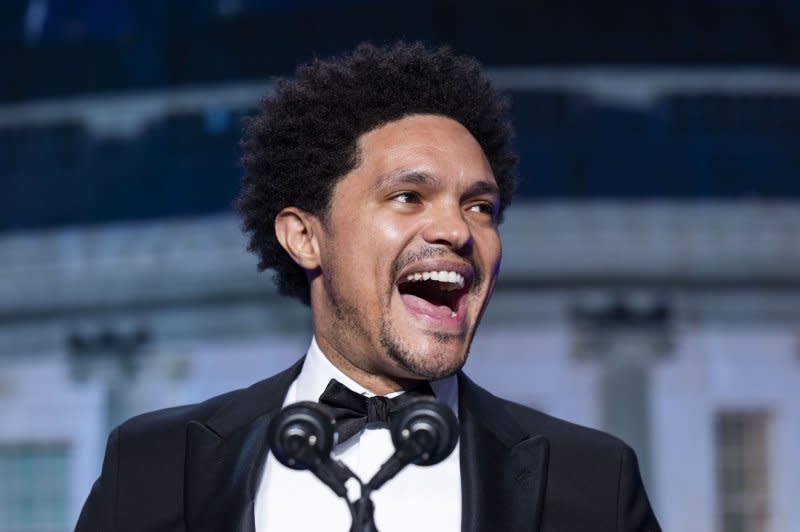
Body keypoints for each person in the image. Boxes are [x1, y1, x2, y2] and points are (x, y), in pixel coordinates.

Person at [76, 42, 661, 532]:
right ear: (305, 237)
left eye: (480, 206)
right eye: (408, 197)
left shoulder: (591, 482)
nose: (458, 229)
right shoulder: (153, 465)